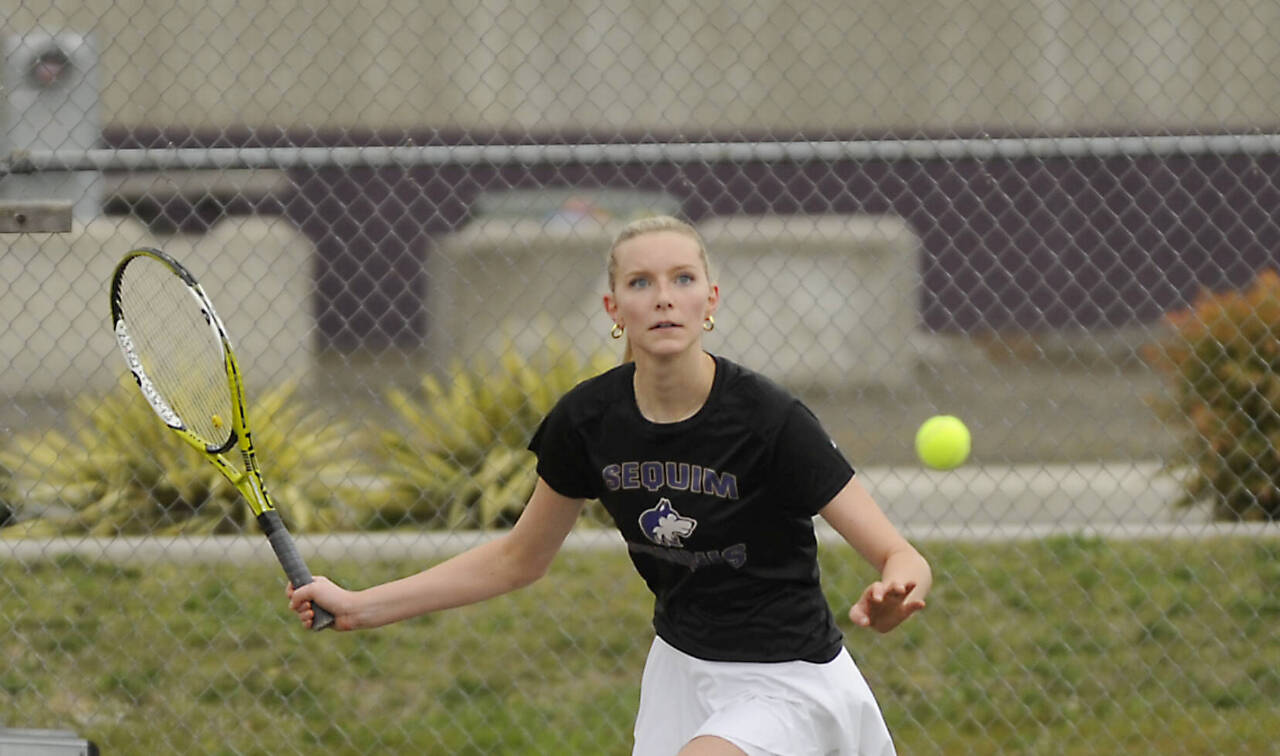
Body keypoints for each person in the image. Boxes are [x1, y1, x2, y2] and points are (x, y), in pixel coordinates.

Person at [288, 215, 932, 755]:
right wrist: (362, 605)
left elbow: (901, 555)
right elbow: (517, 560)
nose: (663, 297)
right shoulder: (589, 421)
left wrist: (897, 591)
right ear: (613, 308)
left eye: (683, 279)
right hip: (681, 670)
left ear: (710, 301)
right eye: (641, 282)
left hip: (788, 679)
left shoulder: (770, 420)